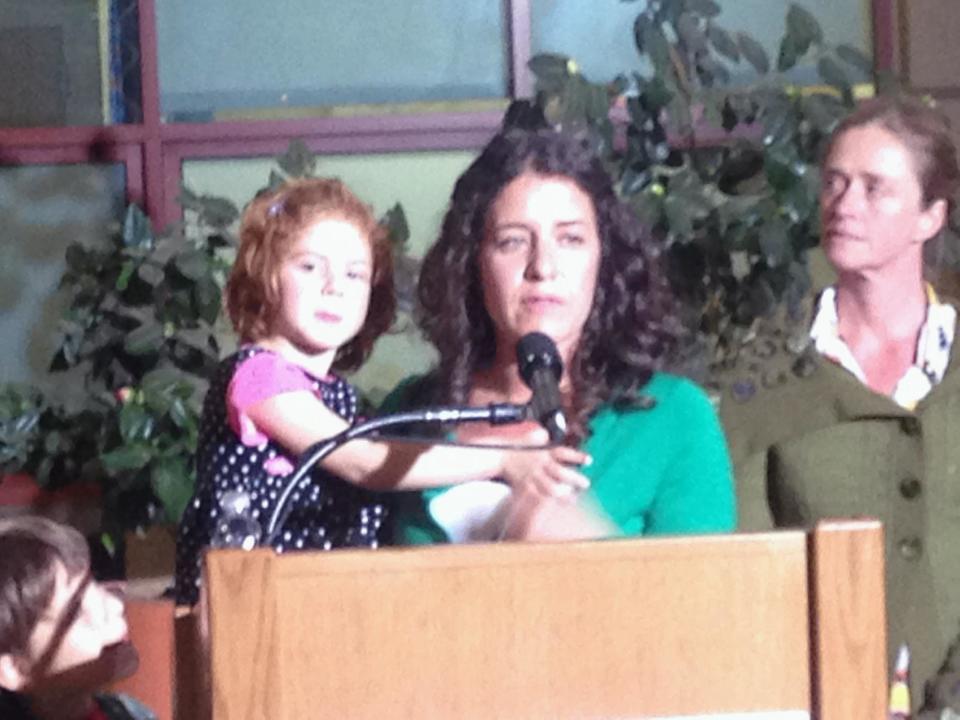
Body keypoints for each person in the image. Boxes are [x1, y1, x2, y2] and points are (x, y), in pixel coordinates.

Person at [174, 177, 591, 605]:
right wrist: (502, 459)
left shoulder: (337, 396)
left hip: (316, 607)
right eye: (309, 266)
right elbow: (363, 463)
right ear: (266, 274)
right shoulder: (260, 377)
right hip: (249, 609)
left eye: (355, 274)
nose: (334, 286)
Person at [720, 94, 960, 715]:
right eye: (835, 183)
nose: (845, 205)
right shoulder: (766, 369)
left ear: (929, 216)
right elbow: (748, 567)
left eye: (875, 188)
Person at [382, 128, 736, 544]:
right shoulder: (412, 412)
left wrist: (583, 547)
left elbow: (711, 600)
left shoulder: (671, 417)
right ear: (473, 263)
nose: (543, 267)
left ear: (603, 258)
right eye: (513, 241)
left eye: (570, 239)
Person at [0, 516, 155, 720]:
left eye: (94, 584)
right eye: (77, 613)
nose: (116, 606)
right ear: (14, 668)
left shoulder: (128, 711)